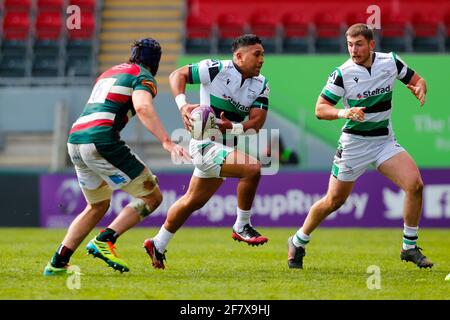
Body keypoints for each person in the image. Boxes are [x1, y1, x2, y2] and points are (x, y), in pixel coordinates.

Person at [287, 24, 433, 269]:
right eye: (350, 45)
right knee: (334, 201)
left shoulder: (391, 62)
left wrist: (421, 88)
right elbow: (320, 109)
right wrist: (345, 112)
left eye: (359, 44)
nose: (353, 50)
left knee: (415, 185)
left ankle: (409, 247)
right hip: (354, 145)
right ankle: (298, 240)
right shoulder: (342, 74)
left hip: (384, 141)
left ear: (372, 44)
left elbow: (418, 80)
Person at [43, 37, 190, 275]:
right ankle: (105, 240)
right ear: (156, 62)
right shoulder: (143, 76)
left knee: (97, 205)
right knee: (153, 197)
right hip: (102, 140)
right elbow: (142, 107)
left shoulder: (109, 73)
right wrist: (167, 141)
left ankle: (57, 263)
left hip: (75, 139)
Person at [143, 34, 270, 269]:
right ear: (239, 56)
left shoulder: (261, 83)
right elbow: (176, 75)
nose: (262, 59)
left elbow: (257, 124)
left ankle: (157, 243)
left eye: (262, 54)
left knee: (192, 201)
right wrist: (183, 106)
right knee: (252, 169)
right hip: (205, 145)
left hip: (225, 147)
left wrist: (232, 126)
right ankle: (242, 225)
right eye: (257, 54)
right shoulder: (216, 69)